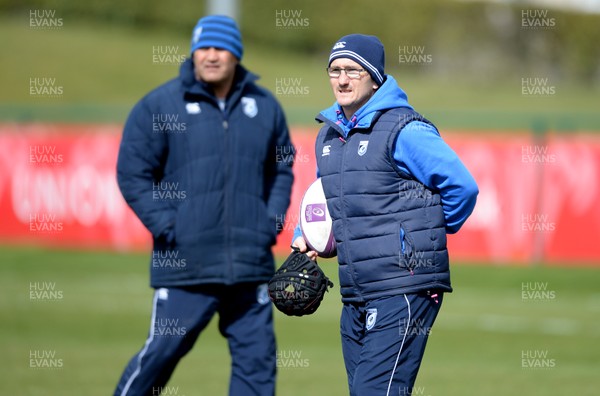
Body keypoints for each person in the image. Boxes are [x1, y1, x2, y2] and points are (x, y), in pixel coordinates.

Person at [114, 15, 294, 396]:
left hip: (250, 264)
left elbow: (281, 168)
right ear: (194, 53)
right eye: (203, 48)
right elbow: (132, 173)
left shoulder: (264, 107)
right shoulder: (160, 105)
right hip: (185, 262)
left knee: (257, 367)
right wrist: (168, 226)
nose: (211, 56)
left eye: (220, 48)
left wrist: (269, 223)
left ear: (236, 55)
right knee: (160, 356)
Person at [292, 34, 478, 395]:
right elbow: (326, 197)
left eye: (352, 70)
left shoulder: (404, 129)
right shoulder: (328, 137)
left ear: (374, 76)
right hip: (357, 288)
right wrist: (307, 235)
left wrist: (425, 237)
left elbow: (462, 187)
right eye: (335, 70)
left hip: (404, 285)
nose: (342, 79)